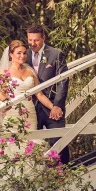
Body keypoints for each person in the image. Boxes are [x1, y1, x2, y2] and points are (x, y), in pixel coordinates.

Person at [26, 24, 70, 164]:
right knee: (32, 146)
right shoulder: (23, 55)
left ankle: (64, 173)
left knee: (59, 142)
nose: (33, 44)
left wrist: (57, 105)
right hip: (31, 109)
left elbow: (63, 80)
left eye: (36, 40)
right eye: (30, 40)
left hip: (52, 106)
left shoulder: (56, 54)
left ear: (43, 38)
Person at [0, 40, 54, 136]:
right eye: (19, 53)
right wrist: (7, 103)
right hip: (13, 111)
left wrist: (53, 107)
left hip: (29, 112)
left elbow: (39, 94)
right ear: (11, 54)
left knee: (31, 142)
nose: (22, 56)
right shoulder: (5, 73)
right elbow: (1, 93)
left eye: (24, 53)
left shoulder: (30, 71)